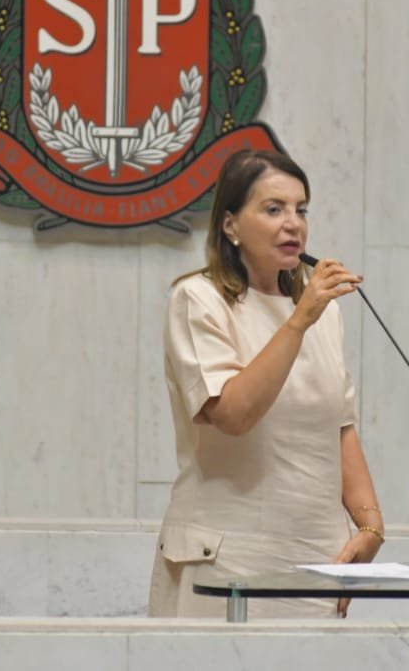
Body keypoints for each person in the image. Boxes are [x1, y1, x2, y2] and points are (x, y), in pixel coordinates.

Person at [147, 149, 385, 619]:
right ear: (230, 225)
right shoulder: (199, 300)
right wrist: (298, 321)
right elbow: (233, 415)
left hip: (316, 562)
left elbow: (340, 428)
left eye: (301, 209)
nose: (293, 223)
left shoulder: (325, 313)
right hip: (225, 563)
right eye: (273, 209)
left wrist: (370, 526)